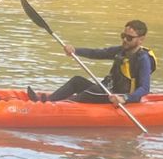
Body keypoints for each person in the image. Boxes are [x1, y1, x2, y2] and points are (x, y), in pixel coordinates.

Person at [27, 19, 155, 104]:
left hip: (120, 96)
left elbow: (144, 88)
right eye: (123, 36)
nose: (125, 40)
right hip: (107, 90)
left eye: (129, 38)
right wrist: (75, 50)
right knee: (77, 81)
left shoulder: (143, 59)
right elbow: (96, 53)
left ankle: (55, 106)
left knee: (90, 92)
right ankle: (48, 100)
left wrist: (124, 98)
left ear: (141, 40)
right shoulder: (121, 50)